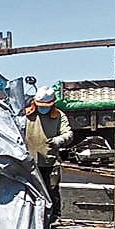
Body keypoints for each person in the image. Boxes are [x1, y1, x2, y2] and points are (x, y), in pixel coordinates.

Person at [22, 87, 75, 219]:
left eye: (45, 106)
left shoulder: (59, 116)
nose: (42, 108)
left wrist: (59, 140)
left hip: (49, 162)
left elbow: (68, 133)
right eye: (40, 105)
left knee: (51, 191)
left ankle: (52, 217)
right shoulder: (27, 114)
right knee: (29, 193)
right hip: (29, 163)